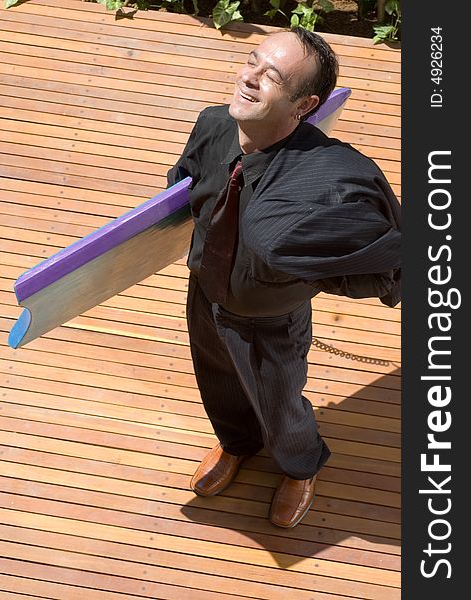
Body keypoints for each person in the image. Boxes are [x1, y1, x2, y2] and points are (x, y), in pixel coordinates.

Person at [167, 27, 401, 528]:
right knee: (217, 383)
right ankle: (236, 445)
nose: (248, 78)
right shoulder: (212, 125)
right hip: (205, 292)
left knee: (280, 404)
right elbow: (183, 185)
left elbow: (370, 257)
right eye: (250, 61)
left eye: (270, 76)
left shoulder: (327, 178)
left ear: (303, 104)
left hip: (270, 318)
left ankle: (299, 468)